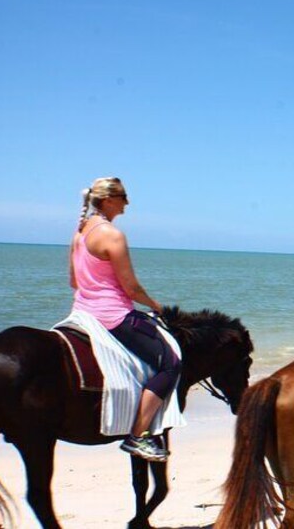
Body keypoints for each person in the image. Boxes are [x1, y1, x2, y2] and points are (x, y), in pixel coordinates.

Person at [69, 177, 180, 462]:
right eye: (123, 198)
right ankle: (138, 436)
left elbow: (73, 281)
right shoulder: (112, 235)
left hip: (82, 313)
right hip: (112, 316)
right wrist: (157, 306)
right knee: (170, 364)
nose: (127, 203)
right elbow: (131, 288)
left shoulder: (79, 232)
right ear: (108, 201)